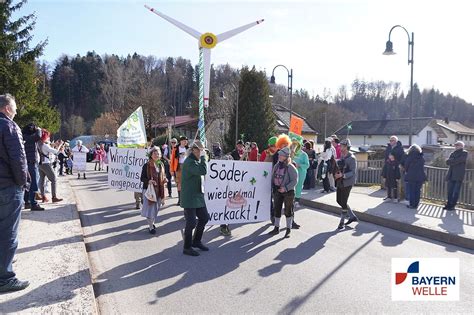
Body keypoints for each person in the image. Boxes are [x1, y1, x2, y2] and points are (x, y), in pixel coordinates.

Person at [0, 93, 30, 292]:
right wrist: (23, 184)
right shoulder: (9, 127)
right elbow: (18, 160)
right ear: (7, 109)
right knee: (8, 232)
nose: (17, 111)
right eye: (15, 108)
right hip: (8, 187)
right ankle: (5, 277)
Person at [181, 141, 209, 256]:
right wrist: (203, 158)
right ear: (192, 150)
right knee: (191, 223)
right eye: (198, 149)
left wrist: (203, 158)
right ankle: (187, 247)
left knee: (204, 218)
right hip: (189, 197)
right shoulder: (189, 162)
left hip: (197, 195)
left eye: (201, 150)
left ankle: (196, 241)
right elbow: (203, 170)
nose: (200, 152)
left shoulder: (195, 160)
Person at [268, 147, 298, 238]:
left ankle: (288, 229)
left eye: (281, 155)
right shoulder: (277, 165)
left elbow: (294, 181)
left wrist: (285, 188)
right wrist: (273, 186)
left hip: (288, 192)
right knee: (277, 209)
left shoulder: (290, 167)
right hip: (277, 191)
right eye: (279, 154)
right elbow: (273, 176)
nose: (279, 155)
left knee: (288, 210)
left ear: (285, 156)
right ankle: (276, 228)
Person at [140, 146, 166, 234]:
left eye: (158, 153)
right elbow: (142, 178)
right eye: (154, 153)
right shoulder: (146, 165)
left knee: (156, 209)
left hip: (159, 190)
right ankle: (151, 227)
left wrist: (165, 179)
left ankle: (152, 222)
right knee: (150, 209)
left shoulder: (161, 164)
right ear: (151, 155)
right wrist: (149, 181)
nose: (156, 155)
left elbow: (163, 176)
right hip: (149, 191)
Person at [334, 139, 359, 230]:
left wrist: (343, 175)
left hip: (348, 182)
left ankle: (341, 222)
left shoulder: (352, 158)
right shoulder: (342, 156)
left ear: (346, 147)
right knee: (339, 201)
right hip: (340, 181)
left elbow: (353, 172)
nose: (340, 147)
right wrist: (337, 173)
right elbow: (340, 167)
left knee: (343, 202)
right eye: (340, 146)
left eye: (342, 146)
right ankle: (352, 216)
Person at [21, 123, 44, 211]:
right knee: (33, 184)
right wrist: (38, 129)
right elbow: (38, 135)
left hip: (27, 163)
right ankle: (33, 203)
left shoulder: (23, 137)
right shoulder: (30, 138)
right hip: (31, 163)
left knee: (27, 184)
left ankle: (27, 203)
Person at [37, 130, 64, 203]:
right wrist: (60, 145)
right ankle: (54, 197)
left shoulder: (38, 143)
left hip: (40, 164)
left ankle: (43, 197)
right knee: (54, 179)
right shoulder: (45, 145)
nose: (48, 137)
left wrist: (54, 144)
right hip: (46, 164)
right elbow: (56, 152)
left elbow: (49, 146)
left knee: (42, 180)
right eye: (48, 136)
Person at [444, 141, 468, 211]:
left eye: (458, 145)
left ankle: (452, 205)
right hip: (451, 175)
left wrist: (452, 160)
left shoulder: (464, 153)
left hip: (458, 175)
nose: (456, 146)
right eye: (455, 145)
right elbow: (447, 162)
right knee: (450, 191)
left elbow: (460, 160)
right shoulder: (452, 153)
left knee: (456, 192)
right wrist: (453, 161)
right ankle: (448, 204)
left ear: (462, 146)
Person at [404, 144, 426, 209]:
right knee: (417, 191)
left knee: (412, 191)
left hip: (411, 176)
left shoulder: (409, 157)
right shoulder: (421, 157)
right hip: (420, 176)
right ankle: (416, 204)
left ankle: (412, 205)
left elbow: (406, 166)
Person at [291, 136, 309, 206]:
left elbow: (307, 165)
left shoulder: (304, 155)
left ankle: (297, 201)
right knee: (291, 186)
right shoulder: (291, 153)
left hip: (301, 173)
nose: (295, 146)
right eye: (293, 144)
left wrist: (300, 165)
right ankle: (291, 200)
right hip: (292, 172)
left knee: (298, 186)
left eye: (296, 144)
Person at [172, 136, 188, 206]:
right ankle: (180, 199)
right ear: (181, 141)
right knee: (179, 183)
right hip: (178, 166)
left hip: (187, 166)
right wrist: (172, 170)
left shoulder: (188, 148)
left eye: (186, 141)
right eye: (184, 141)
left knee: (187, 183)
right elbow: (172, 159)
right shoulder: (176, 148)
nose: (186, 142)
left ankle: (186, 199)